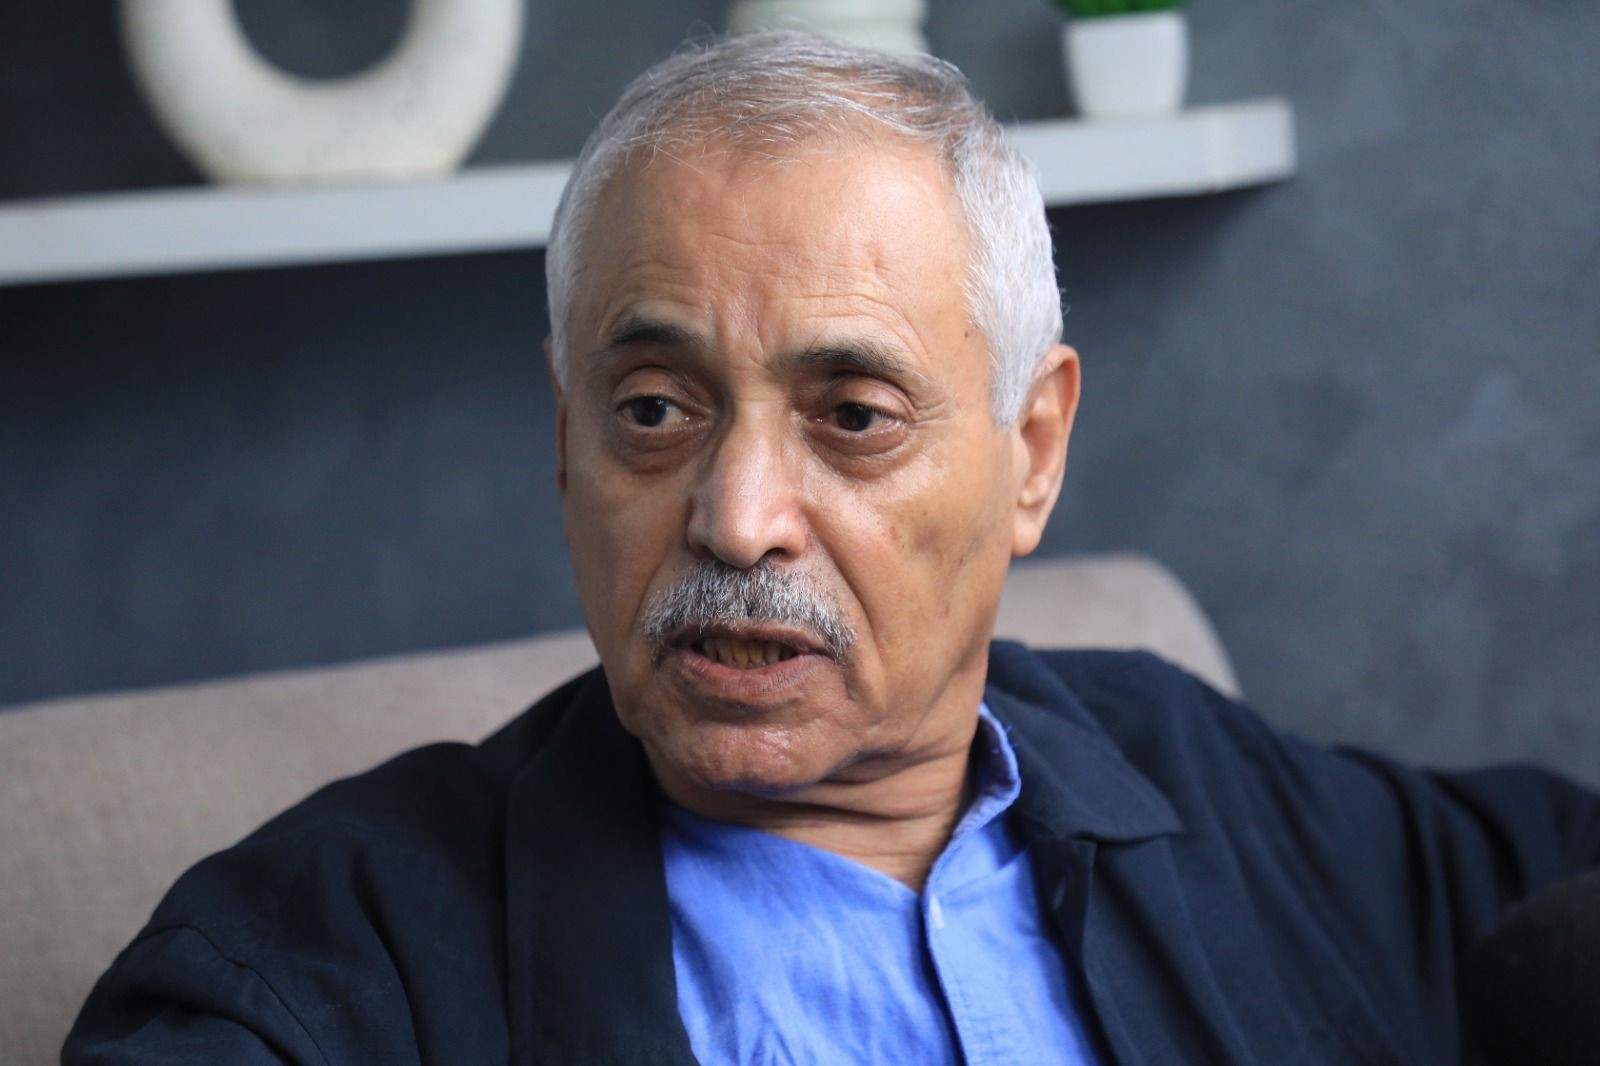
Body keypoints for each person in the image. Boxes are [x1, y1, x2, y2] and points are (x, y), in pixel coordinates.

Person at [66, 31, 1599, 1065]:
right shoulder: (320, 967)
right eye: (654, 409)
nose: (737, 517)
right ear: (565, 436)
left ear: (1030, 452)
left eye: (853, 415)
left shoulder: (1204, 779)